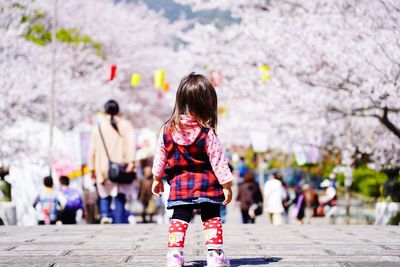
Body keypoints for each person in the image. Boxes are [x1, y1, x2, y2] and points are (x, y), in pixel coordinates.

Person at [151, 73, 233, 267]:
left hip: (180, 185)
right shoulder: (207, 132)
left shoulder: (167, 129)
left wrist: (156, 178)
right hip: (208, 185)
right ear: (207, 103)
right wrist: (227, 185)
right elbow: (218, 160)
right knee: (212, 216)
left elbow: (160, 155)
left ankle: (174, 255)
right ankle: (215, 255)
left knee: (179, 217)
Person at [88, 100, 136, 224]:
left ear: (105, 111)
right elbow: (131, 145)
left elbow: (92, 150)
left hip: (102, 167)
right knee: (120, 195)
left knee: (104, 193)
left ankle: (105, 215)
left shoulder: (98, 128)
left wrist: (91, 168)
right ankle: (119, 222)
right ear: (118, 110)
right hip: (120, 167)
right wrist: (131, 162)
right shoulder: (125, 125)